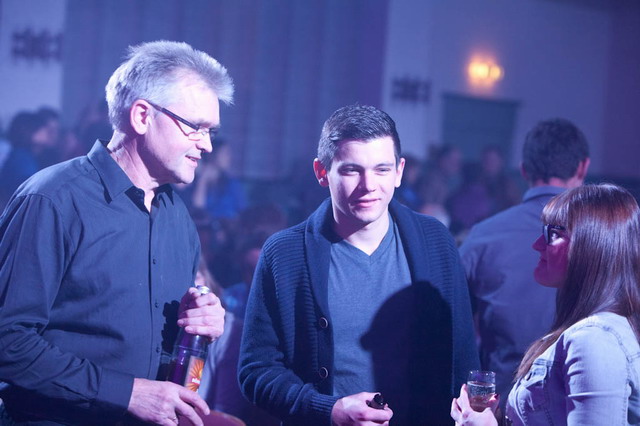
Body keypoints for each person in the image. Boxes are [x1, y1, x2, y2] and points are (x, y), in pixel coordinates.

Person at [0, 40, 233, 425]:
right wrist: (126, 393)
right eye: (195, 127)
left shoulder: (178, 217)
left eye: (211, 131)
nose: (207, 145)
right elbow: (8, 341)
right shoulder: (53, 199)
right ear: (142, 116)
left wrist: (201, 326)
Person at [238, 104, 479, 425]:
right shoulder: (285, 253)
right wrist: (329, 409)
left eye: (381, 169)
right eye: (352, 170)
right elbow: (256, 371)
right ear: (322, 172)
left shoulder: (434, 241)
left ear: (399, 171)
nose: (369, 185)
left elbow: (462, 357)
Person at [451, 183, 640, 425]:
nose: (537, 245)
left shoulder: (594, 339)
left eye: (554, 234)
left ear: (592, 245)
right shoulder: (590, 332)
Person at [459, 119, 590, 405]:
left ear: (524, 169)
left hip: (499, 403)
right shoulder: (608, 237)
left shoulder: (484, 235)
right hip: (580, 401)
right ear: (583, 167)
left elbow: (451, 320)